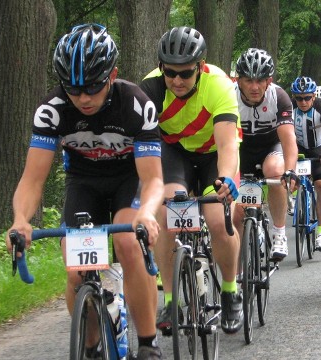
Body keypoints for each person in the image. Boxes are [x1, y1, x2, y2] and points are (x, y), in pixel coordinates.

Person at [4, 24, 164, 359]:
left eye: (92, 86)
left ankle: (148, 343)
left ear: (112, 75)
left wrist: (147, 213)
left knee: (128, 243)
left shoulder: (136, 105)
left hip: (128, 180)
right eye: (73, 89)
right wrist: (20, 220)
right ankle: (90, 346)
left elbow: (152, 180)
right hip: (84, 183)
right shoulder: (52, 110)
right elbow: (33, 179)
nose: (84, 98)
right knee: (76, 270)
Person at [139, 26, 244, 335]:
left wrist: (225, 180)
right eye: (170, 72)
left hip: (213, 153)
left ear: (200, 66)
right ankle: (171, 300)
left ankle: (229, 290)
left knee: (217, 219)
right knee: (169, 211)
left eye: (185, 73)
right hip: (175, 153)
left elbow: (226, 145)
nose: (177, 80)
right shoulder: (150, 89)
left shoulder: (219, 85)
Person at [233, 48, 298, 260]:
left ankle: (279, 233)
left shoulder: (278, 96)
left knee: (275, 171)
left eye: (260, 80)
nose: (254, 87)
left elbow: (288, 140)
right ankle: (238, 276)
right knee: (238, 213)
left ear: (268, 81)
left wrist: (291, 171)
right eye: (248, 80)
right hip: (240, 150)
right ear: (238, 80)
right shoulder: (228, 96)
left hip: (270, 147)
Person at [291, 76, 321, 251]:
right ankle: (293, 201)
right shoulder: (289, 107)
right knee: (287, 178)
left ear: (314, 96)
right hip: (297, 148)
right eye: (299, 98)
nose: (303, 102)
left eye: (307, 97)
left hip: (317, 149)